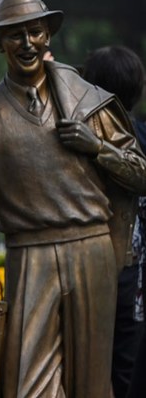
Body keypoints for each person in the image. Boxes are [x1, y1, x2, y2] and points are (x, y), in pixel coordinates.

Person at [0, 0, 146, 397]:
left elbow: (139, 175)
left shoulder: (89, 102)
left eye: (35, 31)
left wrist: (98, 148)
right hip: (30, 252)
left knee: (92, 383)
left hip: (91, 248)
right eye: (15, 34)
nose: (27, 43)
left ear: (48, 35)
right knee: (27, 382)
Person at [83, 45, 146, 398]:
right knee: (126, 369)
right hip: (132, 271)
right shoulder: (141, 137)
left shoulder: (79, 138)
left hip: (92, 263)